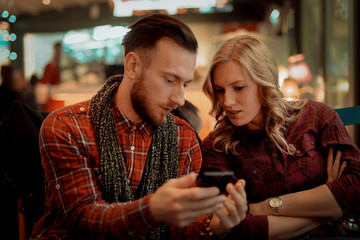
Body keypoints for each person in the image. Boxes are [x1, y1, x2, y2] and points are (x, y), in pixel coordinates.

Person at [31, 14, 247, 240]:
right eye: (170, 80)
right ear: (133, 65)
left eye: (185, 84)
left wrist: (215, 226)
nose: (180, 99)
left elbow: (178, 229)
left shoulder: (183, 137)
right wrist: (151, 210)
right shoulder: (66, 127)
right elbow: (84, 217)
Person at [199, 35, 360, 239]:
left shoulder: (317, 117)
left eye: (239, 88)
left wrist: (265, 207)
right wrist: (329, 209)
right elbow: (239, 228)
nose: (228, 101)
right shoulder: (216, 147)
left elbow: (356, 188)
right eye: (220, 90)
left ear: (264, 82)